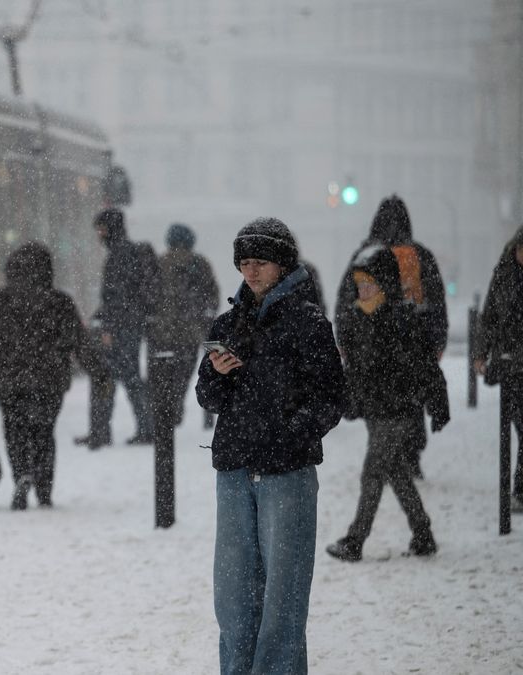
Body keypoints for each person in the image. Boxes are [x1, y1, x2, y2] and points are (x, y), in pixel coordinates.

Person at [195, 217, 345, 675]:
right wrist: (215, 374)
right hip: (235, 470)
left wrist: (290, 435)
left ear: (281, 264)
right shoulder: (228, 321)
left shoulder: (308, 322)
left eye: (260, 262)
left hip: (287, 475)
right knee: (234, 597)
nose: (250, 272)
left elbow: (330, 398)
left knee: (283, 599)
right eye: (244, 263)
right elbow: (208, 397)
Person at [326, 244, 448, 562]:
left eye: (369, 283)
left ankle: (355, 540)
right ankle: (423, 534)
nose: (363, 289)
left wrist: (438, 401)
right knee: (395, 472)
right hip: (375, 409)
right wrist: (350, 399)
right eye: (360, 283)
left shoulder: (401, 318)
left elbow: (425, 365)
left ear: (384, 285)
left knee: (372, 472)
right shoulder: (356, 318)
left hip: (399, 408)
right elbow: (355, 367)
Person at [0, 242, 107, 510]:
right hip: (49, 382)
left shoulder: (4, 300)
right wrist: (98, 371)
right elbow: (79, 341)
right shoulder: (60, 301)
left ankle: (21, 476)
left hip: (11, 381)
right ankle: (44, 488)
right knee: (43, 432)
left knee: (15, 431)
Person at [336, 194, 447, 479]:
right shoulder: (419, 255)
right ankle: (409, 455)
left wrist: (346, 340)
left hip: (371, 344)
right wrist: (436, 340)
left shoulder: (365, 255)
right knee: (411, 401)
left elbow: (346, 300)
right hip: (414, 343)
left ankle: (385, 455)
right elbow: (435, 300)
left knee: (378, 403)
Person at [74, 207, 158, 449]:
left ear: (110, 228)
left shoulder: (119, 254)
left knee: (113, 377)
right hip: (128, 325)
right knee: (125, 377)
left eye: (101, 228)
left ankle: (112, 431)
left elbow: (118, 297)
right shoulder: (125, 252)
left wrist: (108, 327)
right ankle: (139, 428)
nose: (99, 234)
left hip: (121, 327)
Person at [146, 223, 219, 429]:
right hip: (191, 332)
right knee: (183, 375)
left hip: (163, 332)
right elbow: (212, 295)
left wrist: (153, 320)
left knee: (163, 375)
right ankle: (177, 407)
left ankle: (167, 412)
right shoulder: (199, 263)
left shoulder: (159, 263)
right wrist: (203, 318)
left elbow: (149, 295)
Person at [473, 225, 523, 513]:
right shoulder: (504, 275)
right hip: (510, 365)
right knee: (518, 425)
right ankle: (519, 489)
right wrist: (481, 354)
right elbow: (489, 316)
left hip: (512, 362)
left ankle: (519, 489)